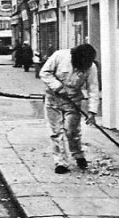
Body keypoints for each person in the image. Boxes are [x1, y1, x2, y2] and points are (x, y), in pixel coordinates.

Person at [39, 42, 100, 174]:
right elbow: (44, 73)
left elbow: (93, 89)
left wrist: (92, 112)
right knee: (56, 132)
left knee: (72, 131)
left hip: (73, 100)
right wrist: (58, 87)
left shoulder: (91, 67)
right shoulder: (59, 56)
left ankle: (78, 155)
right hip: (53, 99)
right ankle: (61, 162)